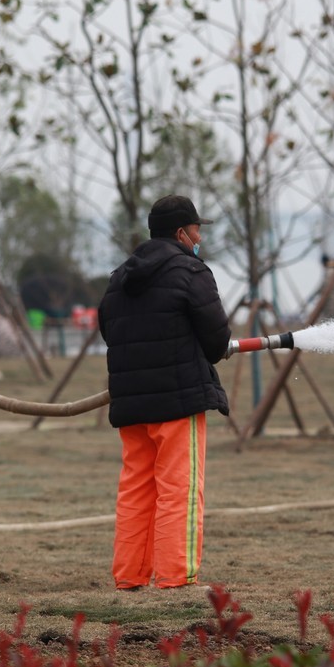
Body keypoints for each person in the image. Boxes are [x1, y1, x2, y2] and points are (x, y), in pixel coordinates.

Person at [98, 194, 231, 592]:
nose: (198, 237)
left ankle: (129, 577)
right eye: (196, 230)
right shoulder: (191, 271)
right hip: (178, 399)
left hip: (131, 401)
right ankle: (177, 578)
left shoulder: (120, 276)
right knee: (179, 489)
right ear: (180, 232)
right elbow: (217, 341)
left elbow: (111, 331)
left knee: (136, 487)